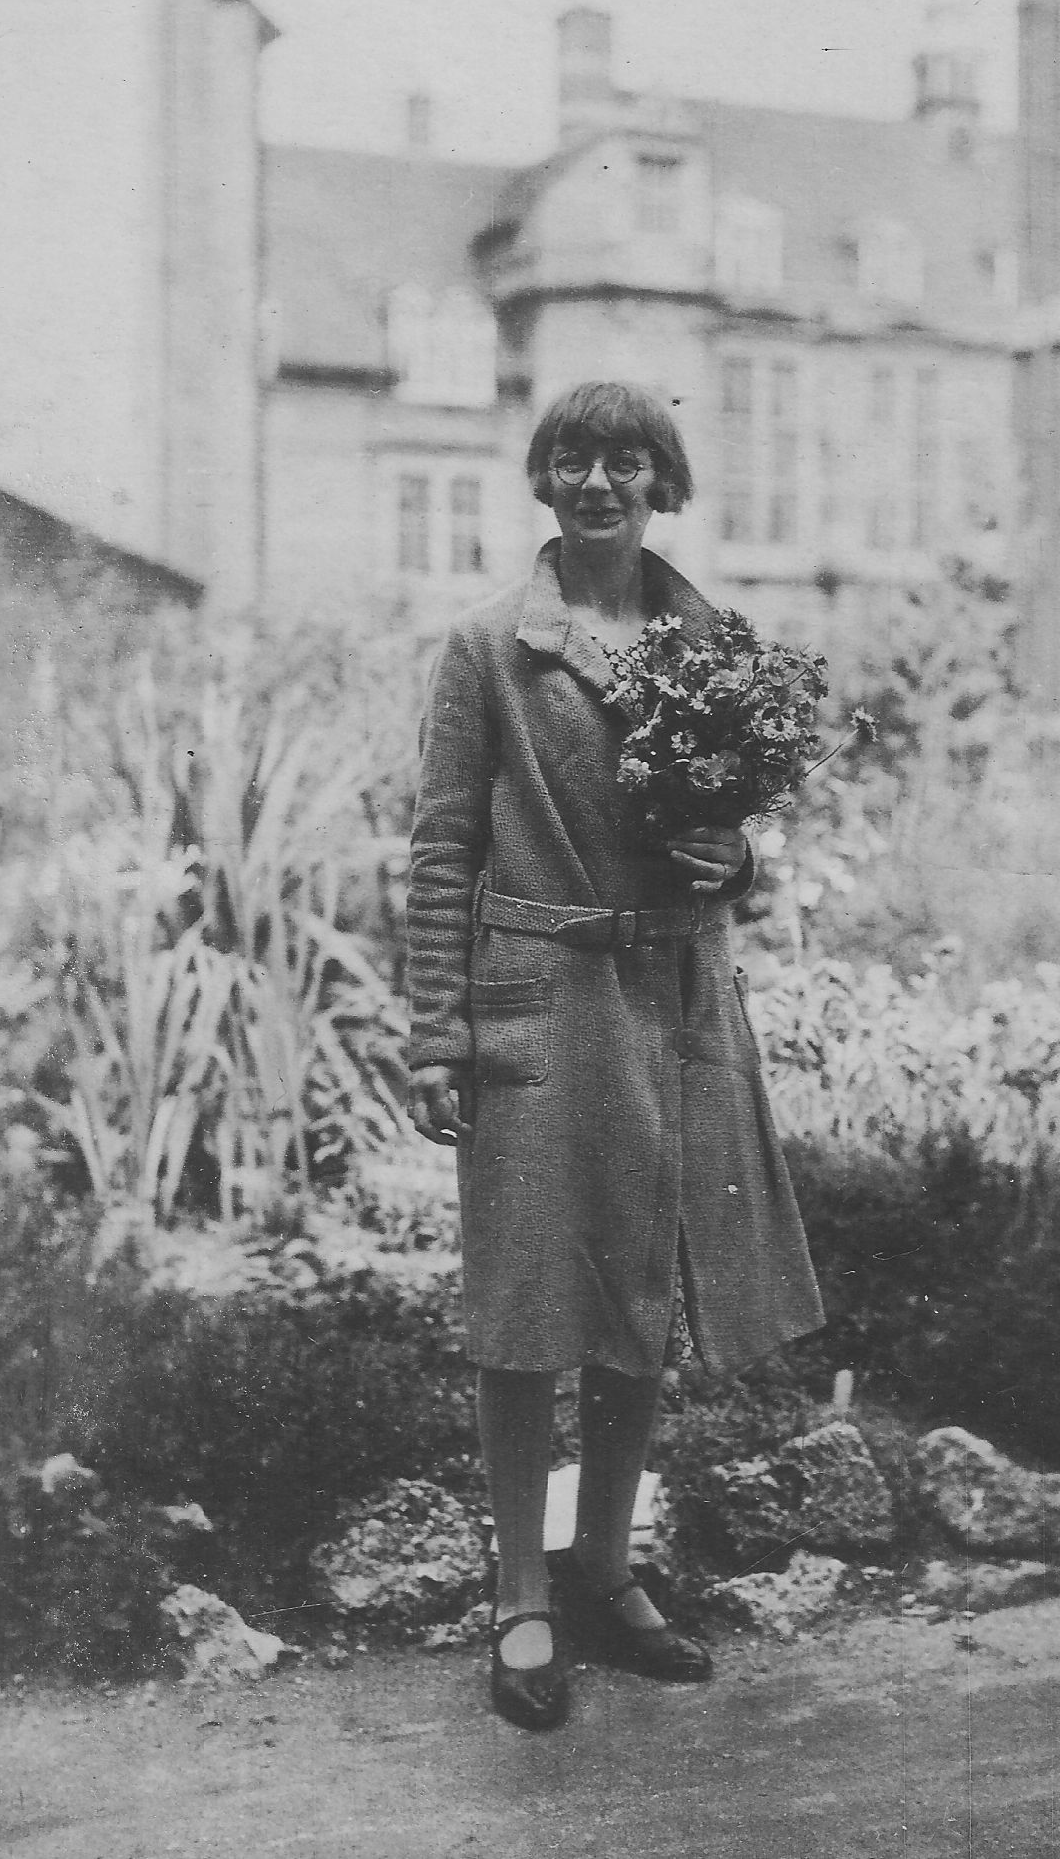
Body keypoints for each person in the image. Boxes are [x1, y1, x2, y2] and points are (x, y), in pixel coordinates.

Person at [406, 381, 824, 1730]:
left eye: (625, 458)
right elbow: (436, 852)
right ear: (542, 477)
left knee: (642, 1292)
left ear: (662, 479)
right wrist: (436, 1028)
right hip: (545, 996)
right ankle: (520, 1586)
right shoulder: (487, 649)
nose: (598, 480)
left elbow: (725, 826)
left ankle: (600, 1567)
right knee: (530, 1305)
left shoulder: (711, 645)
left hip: (677, 992)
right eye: (573, 457)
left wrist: (735, 853)